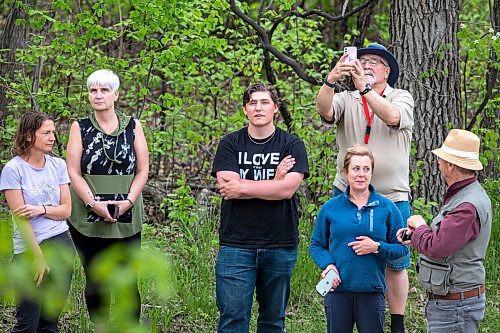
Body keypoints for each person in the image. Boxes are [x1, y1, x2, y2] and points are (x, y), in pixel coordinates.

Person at [316, 42, 414, 333]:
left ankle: (397, 323)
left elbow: (392, 117)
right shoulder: (347, 98)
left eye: (375, 62)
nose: (367, 65)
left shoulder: (401, 96)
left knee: (396, 261)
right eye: (363, 60)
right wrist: (330, 80)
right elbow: (324, 111)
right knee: (344, 252)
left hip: (392, 194)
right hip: (348, 193)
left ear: (387, 71)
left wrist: (365, 89)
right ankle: (341, 315)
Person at [211, 83, 309, 333]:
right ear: (245, 109)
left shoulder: (292, 145)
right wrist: (274, 182)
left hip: (280, 243)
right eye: (253, 102)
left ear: (275, 108)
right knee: (233, 319)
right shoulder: (230, 143)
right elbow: (228, 188)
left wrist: (245, 188)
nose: (258, 107)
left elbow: (287, 190)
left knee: (273, 321)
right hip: (236, 245)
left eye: (265, 102)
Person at [66, 69, 149, 330]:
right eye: (93, 90)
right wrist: (93, 203)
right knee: (96, 278)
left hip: (126, 212)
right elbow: (73, 171)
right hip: (88, 214)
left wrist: (129, 201)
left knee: (126, 278)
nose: (98, 95)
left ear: (116, 93)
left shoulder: (134, 126)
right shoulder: (79, 127)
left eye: (104, 90)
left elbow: (143, 169)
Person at [397, 129, 492, 333]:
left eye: (441, 159)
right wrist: (415, 237)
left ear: (450, 165)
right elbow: (449, 242)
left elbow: (439, 246)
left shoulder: (467, 205)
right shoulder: (464, 195)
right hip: (452, 303)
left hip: (456, 306)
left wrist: (421, 225)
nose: (438, 164)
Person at [310, 144, 408, 333]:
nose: (361, 174)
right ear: (346, 172)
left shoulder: (387, 208)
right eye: (355, 169)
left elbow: (402, 250)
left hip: (372, 291)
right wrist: (328, 265)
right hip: (337, 291)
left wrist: (377, 247)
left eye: (366, 169)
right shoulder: (330, 208)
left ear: (372, 173)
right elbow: (316, 245)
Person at [0, 111, 75, 332]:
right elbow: (22, 220)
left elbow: (67, 210)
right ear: (29, 136)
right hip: (29, 249)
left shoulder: (58, 165)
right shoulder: (13, 170)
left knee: (50, 321)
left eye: (53, 132)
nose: (52, 137)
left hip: (61, 244)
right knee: (28, 324)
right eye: (46, 133)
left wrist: (40, 209)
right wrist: (38, 257)